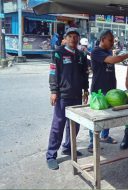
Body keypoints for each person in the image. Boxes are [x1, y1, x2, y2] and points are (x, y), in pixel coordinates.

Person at [88, 29, 128, 153]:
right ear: (102, 40)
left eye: (113, 40)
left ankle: (105, 136)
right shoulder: (96, 51)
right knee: (97, 117)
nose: (113, 42)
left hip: (110, 89)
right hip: (99, 91)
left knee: (109, 115)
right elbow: (112, 60)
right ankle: (92, 143)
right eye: (110, 40)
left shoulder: (107, 51)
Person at [46, 27, 89, 170]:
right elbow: (53, 73)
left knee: (75, 125)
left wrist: (86, 89)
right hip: (62, 96)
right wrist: (53, 91)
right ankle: (51, 155)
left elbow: (85, 74)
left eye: (75, 36)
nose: (73, 39)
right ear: (66, 38)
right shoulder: (58, 53)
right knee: (58, 125)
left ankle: (68, 147)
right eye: (70, 36)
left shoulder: (81, 55)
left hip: (77, 96)